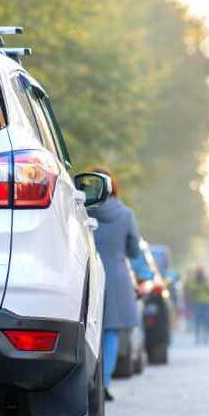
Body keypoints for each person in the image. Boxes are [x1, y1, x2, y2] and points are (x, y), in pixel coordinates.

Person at [89, 168, 140, 402]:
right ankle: (105, 383)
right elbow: (134, 250)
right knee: (110, 333)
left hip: (87, 273)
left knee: (88, 331)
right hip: (117, 279)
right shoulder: (126, 214)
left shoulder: (82, 210)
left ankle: (87, 382)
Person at [185, 267, 209, 345]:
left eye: (201, 272)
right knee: (197, 320)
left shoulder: (207, 280)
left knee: (207, 320)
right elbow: (191, 288)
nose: (200, 274)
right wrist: (199, 288)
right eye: (198, 272)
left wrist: (205, 286)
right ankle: (197, 337)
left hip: (206, 303)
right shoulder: (194, 280)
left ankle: (206, 336)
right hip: (197, 303)